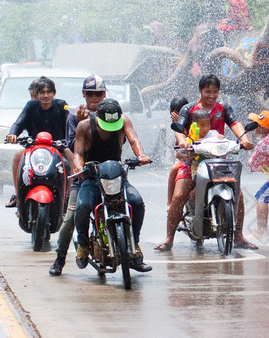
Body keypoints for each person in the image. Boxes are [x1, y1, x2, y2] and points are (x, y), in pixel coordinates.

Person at [156, 74, 255, 250]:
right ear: (200, 90)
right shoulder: (189, 109)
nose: (212, 95)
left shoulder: (223, 107)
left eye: (215, 92)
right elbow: (179, 128)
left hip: (218, 160)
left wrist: (244, 139)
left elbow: (235, 123)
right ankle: (168, 238)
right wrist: (182, 141)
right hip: (192, 160)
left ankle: (239, 236)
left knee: (238, 195)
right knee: (179, 195)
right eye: (208, 91)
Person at [73, 98, 152, 272]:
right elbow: (77, 153)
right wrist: (79, 167)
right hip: (92, 177)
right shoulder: (84, 126)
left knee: (136, 202)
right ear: (97, 118)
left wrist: (141, 155)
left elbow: (134, 140)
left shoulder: (124, 121)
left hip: (117, 176)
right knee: (84, 206)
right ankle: (83, 245)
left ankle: (134, 244)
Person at [49, 75, 107, 276]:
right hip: (84, 176)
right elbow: (73, 149)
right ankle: (60, 258)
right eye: (90, 94)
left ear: (105, 94)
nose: (95, 98)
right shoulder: (74, 117)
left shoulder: (112, 114)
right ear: (84, 94)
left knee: (129, 203)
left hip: (108, 174)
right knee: (70, 218)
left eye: (98, 94)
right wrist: (77, 168)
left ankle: (131, 249)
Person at [5, 76, 71, 208]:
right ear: (37, 94)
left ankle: (67, 199)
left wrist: (68, 141)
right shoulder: (31, 106)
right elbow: (19, 123)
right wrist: (12, 134)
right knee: (18, 156)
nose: (46, 96)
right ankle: (19, 195)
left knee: (68, 163)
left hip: (57, 148)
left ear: (54, 93)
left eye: (49, 92)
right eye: (42, 93)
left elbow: (70, 125)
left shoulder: (62, 105)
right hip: (34, 148)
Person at [166, 97, 189, 209]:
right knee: (174, 168)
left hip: (199, 156)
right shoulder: (176, 127)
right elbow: (178, 151)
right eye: (175, 114)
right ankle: (170, 204)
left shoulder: (194, 121)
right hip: (186, 159)